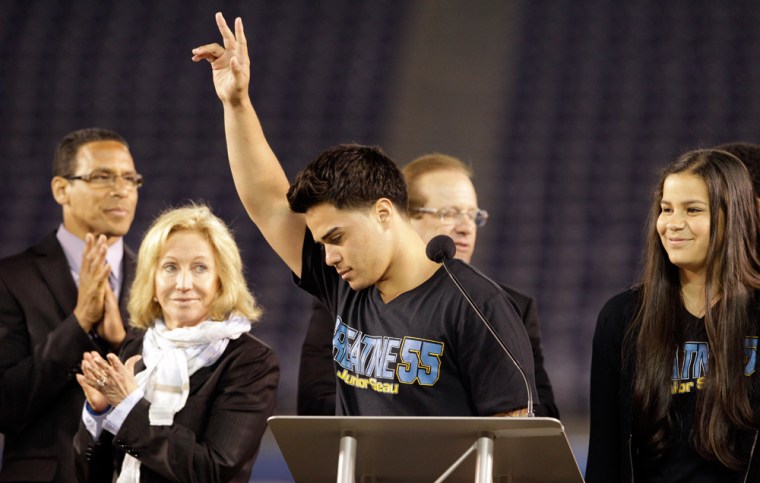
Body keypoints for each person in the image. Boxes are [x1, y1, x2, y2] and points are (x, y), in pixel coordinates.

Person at [192, 13, 536, 416]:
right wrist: (236, 103)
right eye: (321, 243)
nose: (328, 256)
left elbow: (511, 441)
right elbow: (268, 203)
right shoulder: (344, 284)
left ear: (384, 213)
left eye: (336, 238)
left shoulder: (477, 306)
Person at [297, 153, 560, 418]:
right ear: (401, 215)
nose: (466, 227)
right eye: (448, 213)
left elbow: (535, 421)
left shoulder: (490, 304)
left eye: (473, 215)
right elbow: (316, 401)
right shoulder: (348, 285)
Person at [586, 149, 760, 482]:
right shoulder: (622, 317)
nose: (673, 224)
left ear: (733, 216)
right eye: (666, 209)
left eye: (693, 210)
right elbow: (605, 457)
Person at [73, 204, 279, 482]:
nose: (183, 283)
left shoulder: (251, 362)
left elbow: (213, 470)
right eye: (170, 267)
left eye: (200, 268)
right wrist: (99, 414)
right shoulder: (134, 350)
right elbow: (92, 475)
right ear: (152, 281)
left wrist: (129, 406)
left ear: (220, 281)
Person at [0, 128, 140, 482]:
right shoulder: (10, 279)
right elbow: (6, 406)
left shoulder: (157, 281)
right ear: (61, 189)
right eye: (102, 176)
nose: (121, 189)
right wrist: (78, 325)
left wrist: (121, 341)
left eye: (130, 178)